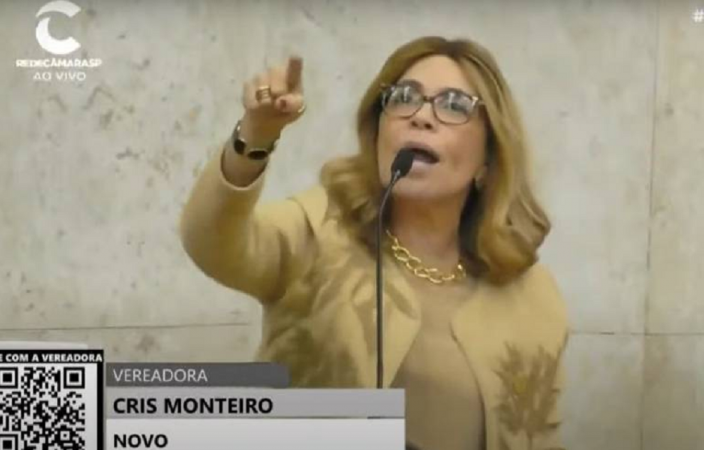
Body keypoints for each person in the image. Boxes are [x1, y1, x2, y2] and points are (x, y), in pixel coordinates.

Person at [180, 36, 569, 450]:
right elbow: (212, 243)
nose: (421, 116)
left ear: (488, 159)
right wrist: (254, 137)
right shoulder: (318, 232)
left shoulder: (533, 297)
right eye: (403, 98)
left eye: (455, 105)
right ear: (378, 132)